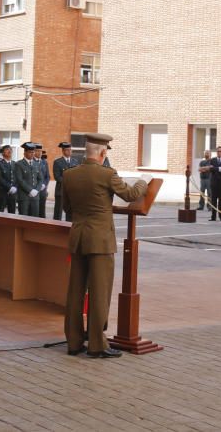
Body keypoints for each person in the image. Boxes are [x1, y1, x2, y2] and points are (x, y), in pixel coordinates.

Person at [62, 133, 147, 358]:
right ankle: (97, 345)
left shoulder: (69, 175)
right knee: (99, 292)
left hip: (78, 237)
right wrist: (142, 182)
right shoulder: (107, 174)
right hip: (100, 240)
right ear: (102, 153)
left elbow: (67, 209)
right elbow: (130, 194)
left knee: (75, 292)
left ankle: (73, 342)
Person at [15, 143, 44, 217]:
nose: (32, 154)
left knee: (34, 219)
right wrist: (30, 190)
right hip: (24, 197)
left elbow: (40, 179)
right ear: (24, 153)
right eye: (30, 152)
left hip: (35, 196)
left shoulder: (36, 164)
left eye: (33, 152)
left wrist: (37, 190)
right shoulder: (19, 164)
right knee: (23, 219)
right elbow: (20, 180)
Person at [53, 142, 79, 221]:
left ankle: (68, 226)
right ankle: (56, 227)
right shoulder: (57, 162)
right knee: (58, 211)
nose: (70, 152)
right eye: (67, 150)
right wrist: (69, 182)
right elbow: (57, 177)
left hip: (72, 191)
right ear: (63, 151)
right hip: (61, 190)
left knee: (70, 211)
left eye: (71, 150)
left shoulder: (75, 162)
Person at [0, 145, 17, 215]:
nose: (9, 151)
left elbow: (17, 177)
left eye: (10, 150)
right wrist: (10, 187)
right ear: (3, 153)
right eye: (7, 149)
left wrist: (15, 187)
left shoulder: (15, 164)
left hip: (13, 193)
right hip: (2, 192)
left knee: (12, 213)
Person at [208, 146, 221, 221]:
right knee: (213, 201)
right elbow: (211, 169)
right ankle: (213, 216)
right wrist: (219, 168)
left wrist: (215, 169)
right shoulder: (213, 160)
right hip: (214, 183)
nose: (219, 153)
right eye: (218, 151)